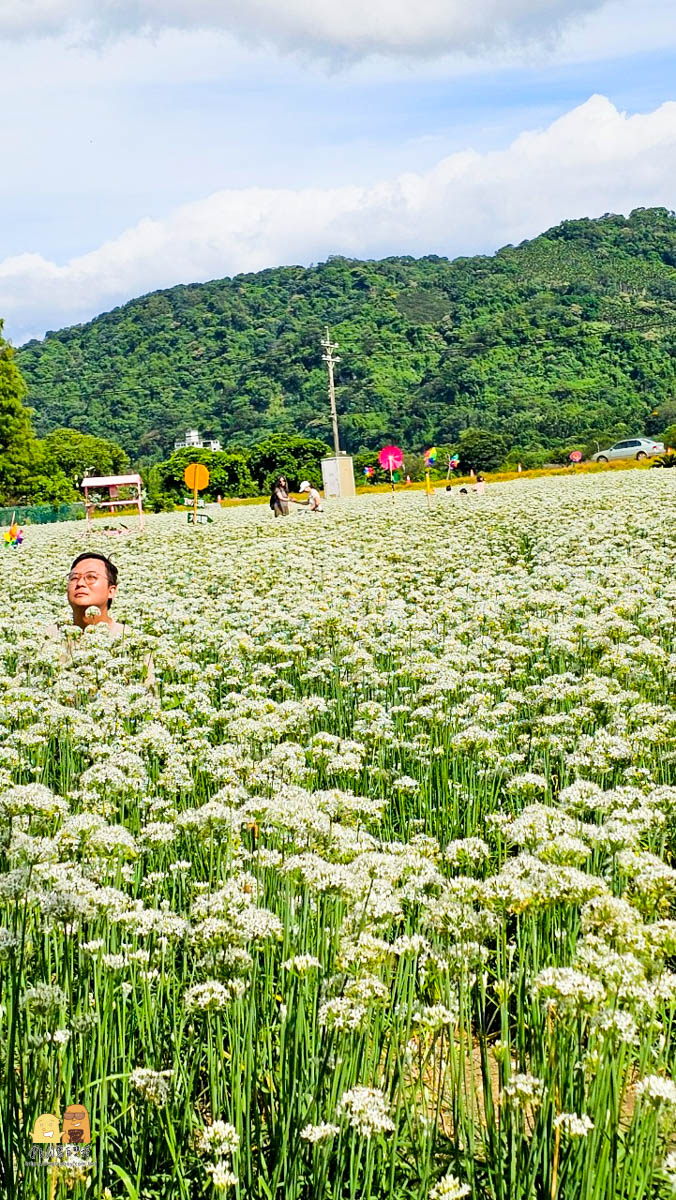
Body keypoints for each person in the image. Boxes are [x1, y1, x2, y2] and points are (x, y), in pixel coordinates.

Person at [46, 553, 125, 639]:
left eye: (91, 577)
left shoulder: (125, 637)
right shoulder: (48, 637)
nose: (80, 583)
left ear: (111, 591)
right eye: (74, 578)